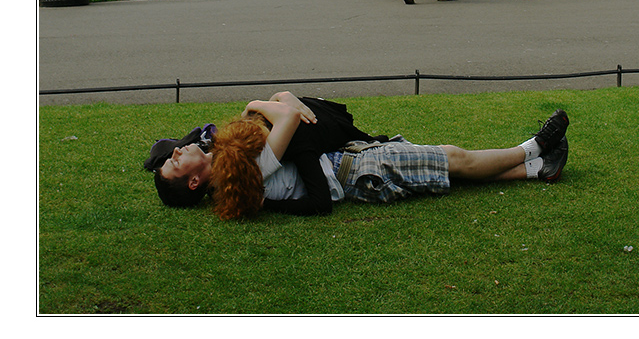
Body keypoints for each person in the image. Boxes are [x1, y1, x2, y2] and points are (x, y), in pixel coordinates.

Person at [148, 93, 570, 219]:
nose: (179, 150)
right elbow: (292, 117)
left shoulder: (232, 171)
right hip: (358, 170)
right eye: (174, 161)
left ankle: (536, 170)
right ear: (193, 182)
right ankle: (534, 146)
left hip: (353, 163)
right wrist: (263, 102)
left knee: (451, 171)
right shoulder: (245, 169)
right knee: (453, 159)